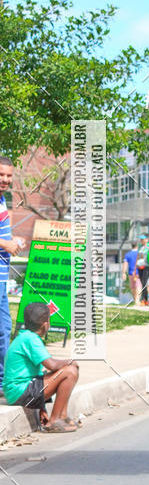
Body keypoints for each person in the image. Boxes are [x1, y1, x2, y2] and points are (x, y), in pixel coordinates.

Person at [2, 302, 80, 432]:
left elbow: (37, 375)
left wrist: (41, 406)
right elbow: (52, 365)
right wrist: (70, 361)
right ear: (45, 324)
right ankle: (54, 421)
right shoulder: (31, 339)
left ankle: (63, 416)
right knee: (70, 372)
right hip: (19, 391)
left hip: (17, 391)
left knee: (67, 371)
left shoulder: (25, 336)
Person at [0, 156, 26, 385]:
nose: (5, 180)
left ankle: (3, 381)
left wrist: (11, 240)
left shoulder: (2, 200)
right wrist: (5, 244)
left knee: (4, 328)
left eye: (8, 175)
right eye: (1, 175)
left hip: (1, 277)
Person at [137, 235, 149, 305]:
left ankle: (144, 299)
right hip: (140, 266)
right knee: (143, 283)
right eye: (141, 239)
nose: (142, 241)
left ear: (147, 239)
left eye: (143, 239)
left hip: (147, 266)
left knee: (145, 282)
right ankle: (145, 299)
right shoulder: (141, 248)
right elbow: (139, 257)